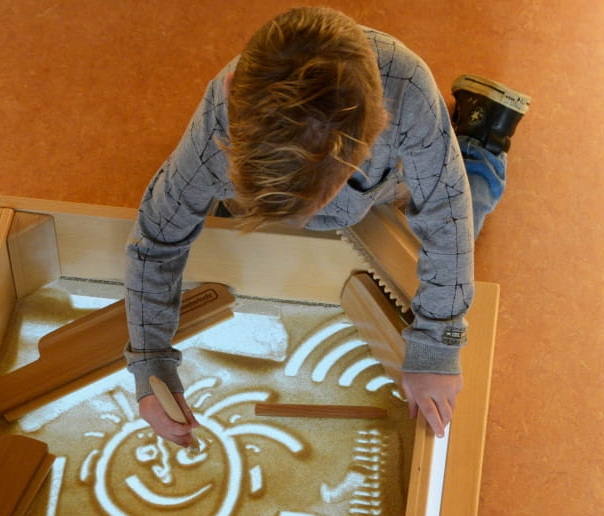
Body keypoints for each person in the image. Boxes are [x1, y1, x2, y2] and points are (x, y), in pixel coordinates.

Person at [124, 7, 529, 444]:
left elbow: (445, 215)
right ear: (231, 89)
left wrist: (436, 349)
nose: (302, 225)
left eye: (312, 203)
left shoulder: (408, 94)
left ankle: (480, 145)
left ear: (379, 127)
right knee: (224, 244)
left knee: (452, 226)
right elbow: (157, 240)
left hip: (378, 193)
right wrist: (151, 363)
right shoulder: (219, 118)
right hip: (265, 194)